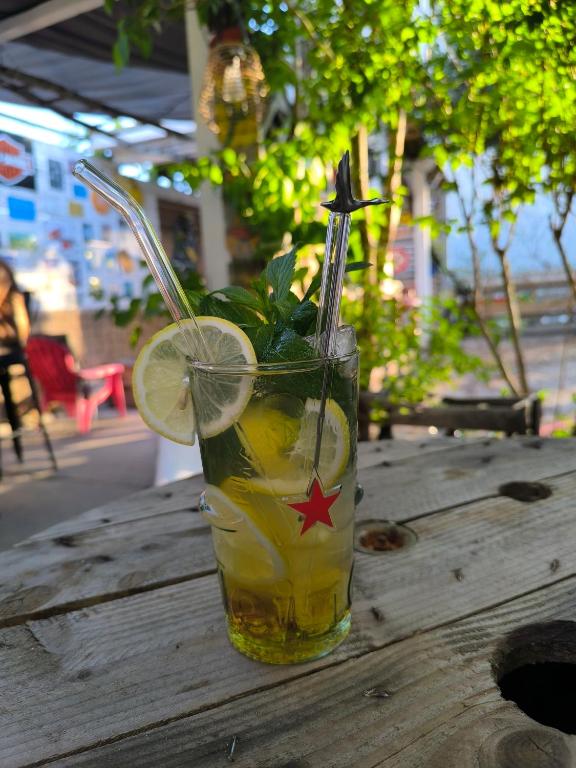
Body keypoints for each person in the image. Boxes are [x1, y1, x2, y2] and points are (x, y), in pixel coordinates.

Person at [0, 259, 31, 461]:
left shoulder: (15, 298)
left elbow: (22, 335)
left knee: (10, 398)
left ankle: (19, 448)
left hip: (11, 353)